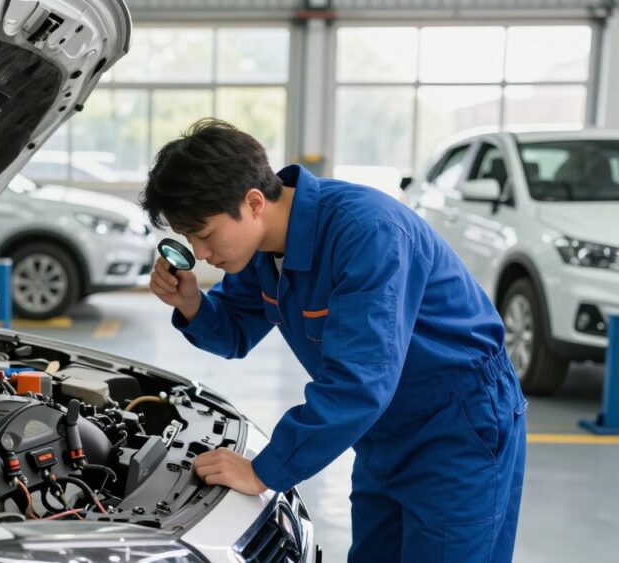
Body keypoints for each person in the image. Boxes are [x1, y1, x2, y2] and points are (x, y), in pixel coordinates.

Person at [140, 118, 526, 562]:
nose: (201, 253)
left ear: (252, 203)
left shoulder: (366, 232)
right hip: (382, 429)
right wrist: (191, 302)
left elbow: (360, 381)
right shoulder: (261, 249)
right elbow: (234, 332)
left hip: (458, 424)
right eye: (190, 239)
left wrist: (263, 471)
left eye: (205, 235)